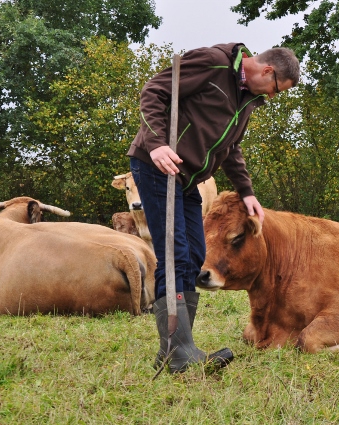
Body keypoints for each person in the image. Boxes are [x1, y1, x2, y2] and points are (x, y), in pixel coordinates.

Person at [127, 43, 300, 373]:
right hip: (157, 168)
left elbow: (230, 147)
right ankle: (179, 353)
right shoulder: (215, 64)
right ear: (267, 71)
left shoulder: (247, 100)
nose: (275, 96)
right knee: (176, 254)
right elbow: (154, 92)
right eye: (278, 89)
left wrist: (246, 191)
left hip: (188, 179)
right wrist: (158, 144)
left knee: (193, 256)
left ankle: (174, 350)